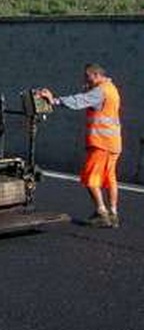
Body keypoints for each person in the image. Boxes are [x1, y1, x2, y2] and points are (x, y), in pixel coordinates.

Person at [39, 63, 122, 228]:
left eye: (88, 77)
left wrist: (54, 100)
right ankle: (113, 213)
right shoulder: (112, 88)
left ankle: (101, 212)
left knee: (90, 179)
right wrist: (89, 90)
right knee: (110, 179)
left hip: (101, 143)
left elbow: (79, 101)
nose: (85, 80)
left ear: (96, 75)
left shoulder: (100, 91)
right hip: (114, 143)